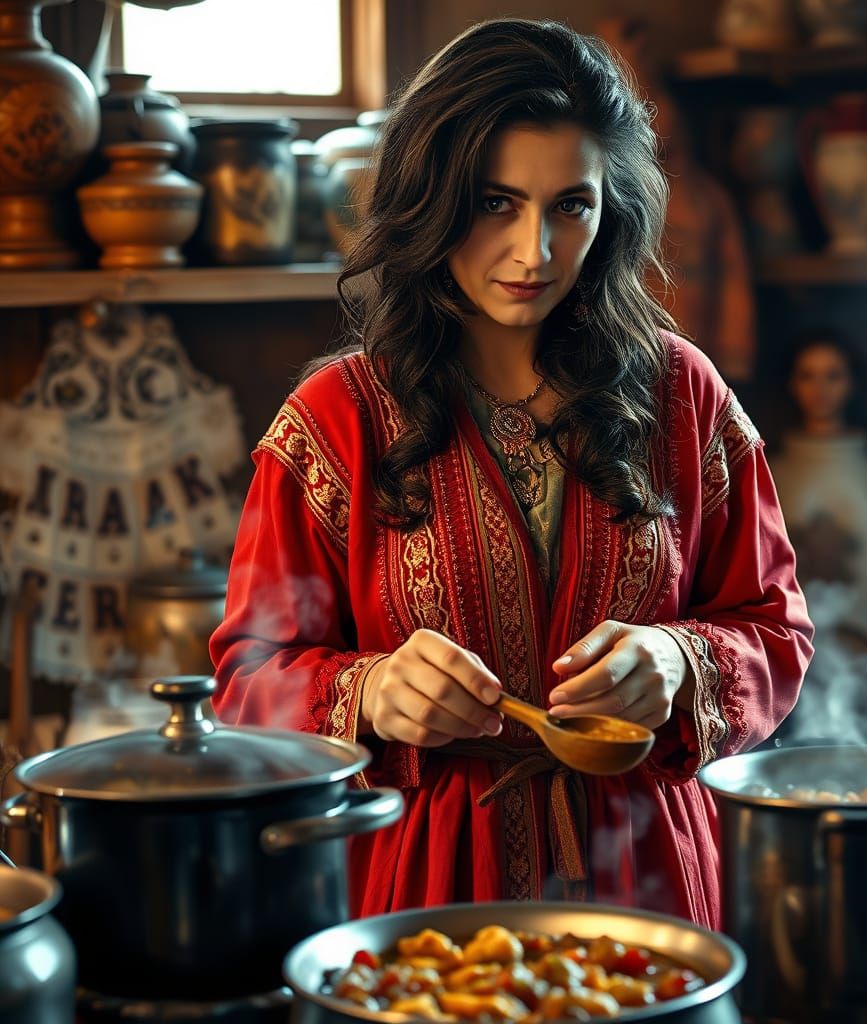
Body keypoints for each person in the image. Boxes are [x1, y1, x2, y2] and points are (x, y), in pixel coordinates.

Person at [210, 18, 813, 928]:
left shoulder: (681, 394)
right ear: (432, 195)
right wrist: (368, 691)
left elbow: (775, 629)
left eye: (571, 205)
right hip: (422, 886)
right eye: (496, 203)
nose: (535, 251)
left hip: (648, 881)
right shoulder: (338, 421)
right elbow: (246, 680)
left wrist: (681, 660)